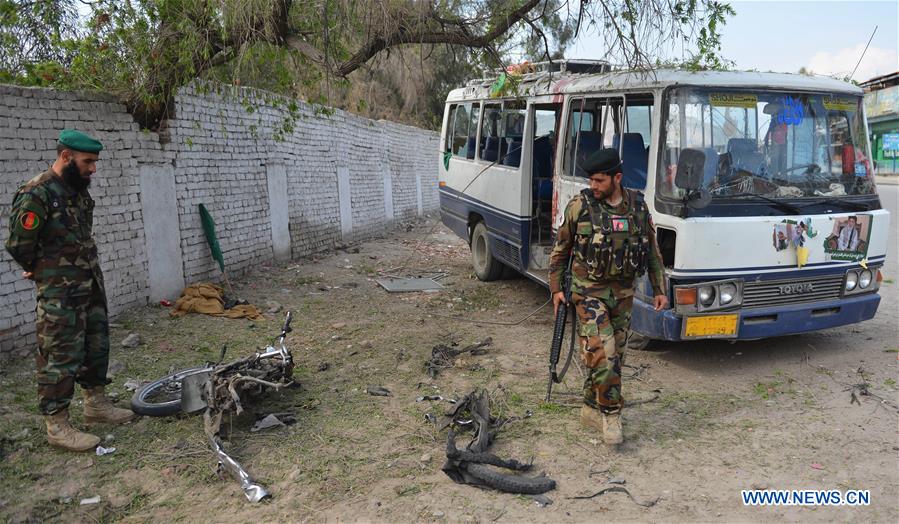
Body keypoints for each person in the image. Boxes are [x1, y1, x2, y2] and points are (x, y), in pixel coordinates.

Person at [5, 129, 135, 452]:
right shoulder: (37, 193)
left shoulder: (77, 191)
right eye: (88, 161)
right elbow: (19, 243)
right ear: (66, 157)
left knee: (96, 342)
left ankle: (95, 404)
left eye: (94, 162)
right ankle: (57, 425)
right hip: (59, 294)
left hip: (88, 282)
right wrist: (40, 269)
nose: (93, 168)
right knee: (60, 353)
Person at [549, 148, 668, 445]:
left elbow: (652, 251)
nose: (594, 186)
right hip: (588, 291)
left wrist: (659, 289)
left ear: (617, 178)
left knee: (612, 357)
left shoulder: (638, 207)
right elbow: (560, 250)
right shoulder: (580, 206)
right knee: (604, 352)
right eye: (591, 180)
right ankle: (611, 413)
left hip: (623, 294)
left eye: (600, 180)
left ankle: (591, 406)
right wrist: (556, 288)